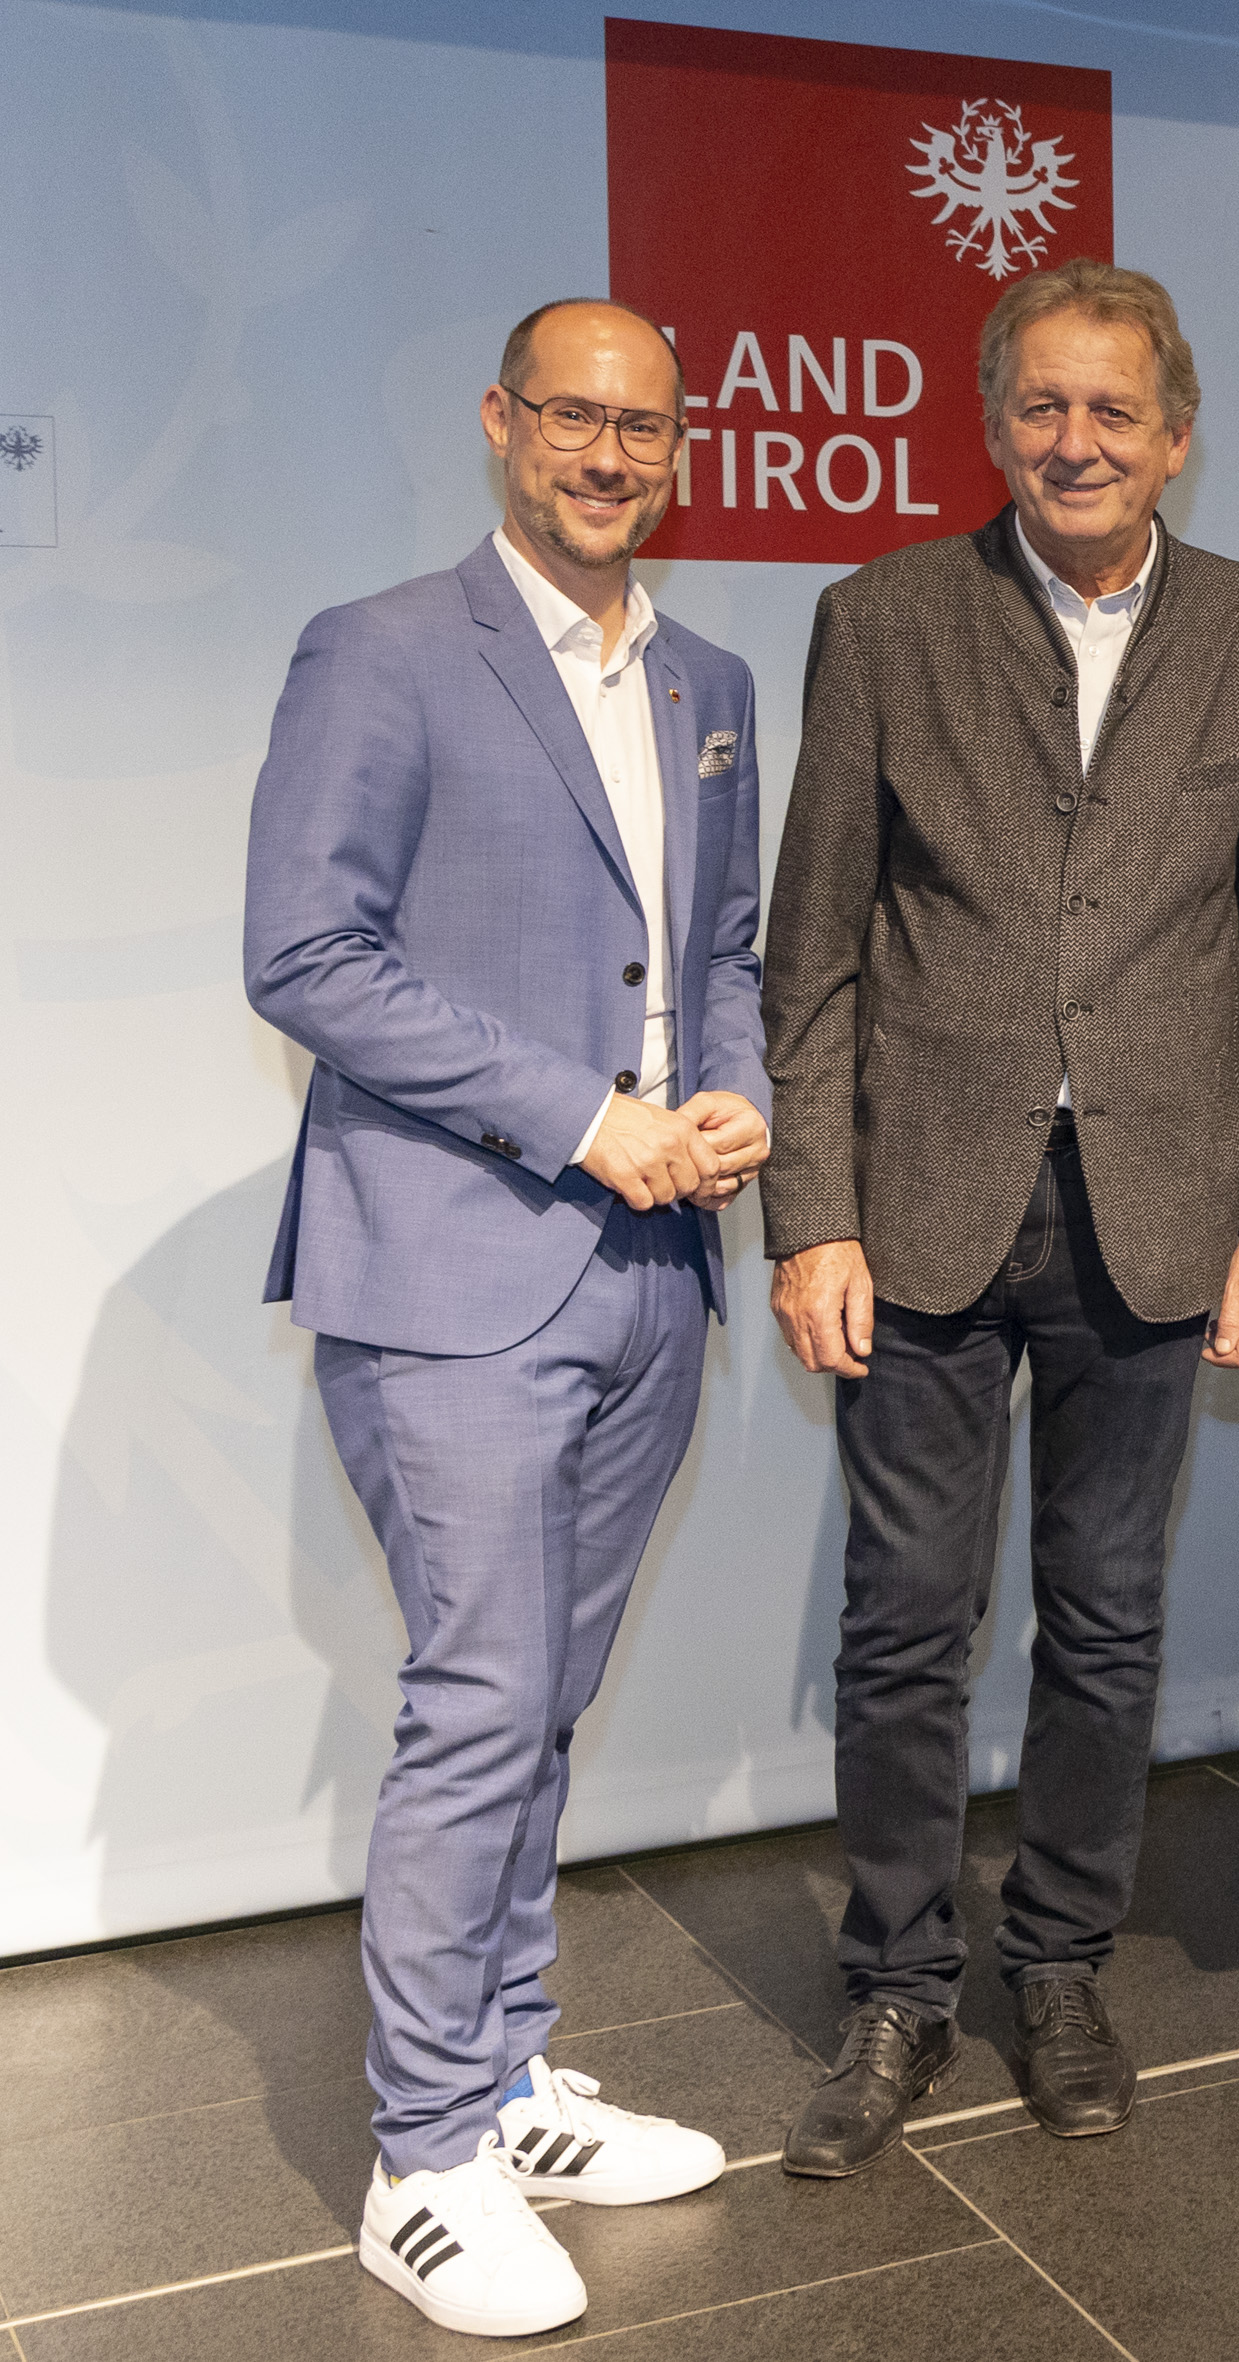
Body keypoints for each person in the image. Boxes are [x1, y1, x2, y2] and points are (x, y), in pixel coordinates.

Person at [759, 258, 1239, 2175]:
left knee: (1108, 1620)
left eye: (1113, 411)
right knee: (906, 1622)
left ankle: (1062, 1959)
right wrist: (808, 1212)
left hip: (1159, 1212)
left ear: (1175, 435)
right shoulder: (883, 619)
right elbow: (815, 950)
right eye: (1041, 408)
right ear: (995, 420)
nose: (1074, 443)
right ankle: (901, 1985)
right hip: (921, 1199)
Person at [244, 298, 767, 2339]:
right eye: (572, 414)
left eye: (642, 423)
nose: (608, 452)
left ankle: (506, 2071)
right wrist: (580, 1114)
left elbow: (713, 948)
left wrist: (734, 1097)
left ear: (678, 446)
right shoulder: (380, 651)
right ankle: (423, 2155)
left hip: (650, 1268)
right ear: (499, 423)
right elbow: (304, 948)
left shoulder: (711, 677)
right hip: (452, 1257)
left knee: (543, 1691)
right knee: (476, 1698)